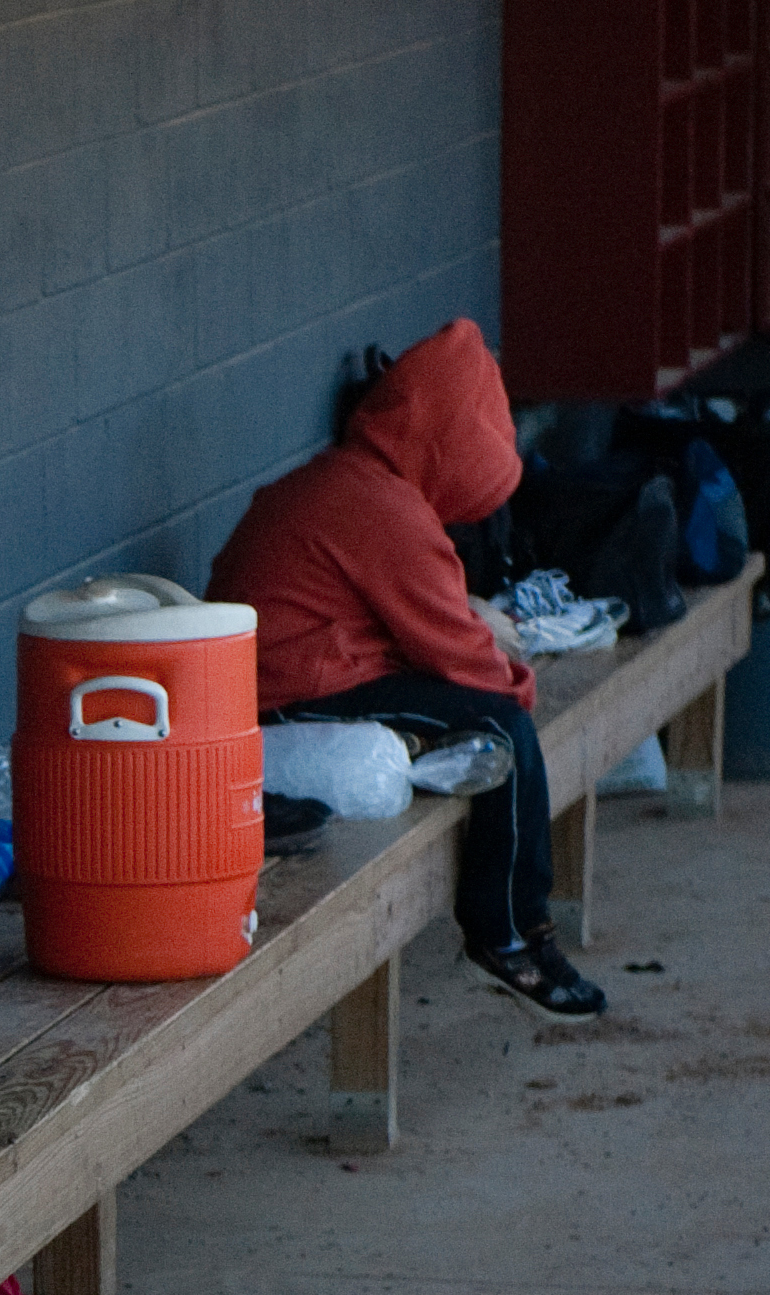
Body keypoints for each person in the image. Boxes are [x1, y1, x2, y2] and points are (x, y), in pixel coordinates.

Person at [206, 315, 601, 1019]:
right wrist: (519, 681)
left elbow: (434, 621)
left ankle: (526, 928)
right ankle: (506, 935)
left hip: (299, 674)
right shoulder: (378, 505)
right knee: (503, 730)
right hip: (282, 697)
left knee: (490, 721)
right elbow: (459, 656)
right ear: (443, 441)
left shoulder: (357, 479)